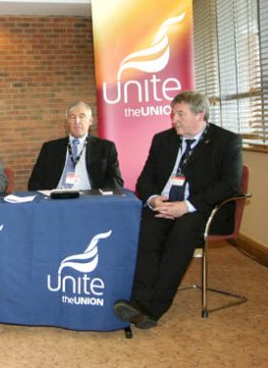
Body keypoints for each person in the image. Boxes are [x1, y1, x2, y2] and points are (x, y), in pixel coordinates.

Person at [114, 90, 243, 329]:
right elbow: (145, 179)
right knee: (148, 229)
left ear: (200, 115)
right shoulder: (163, 139)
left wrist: (186, 206)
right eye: (173, 114)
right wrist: (154, 200)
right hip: (165, 205)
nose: (174, 120)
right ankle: (138, 302)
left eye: (180, 114)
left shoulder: (227, 141)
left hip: (201, 210)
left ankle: (154, 309)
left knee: (181, 234)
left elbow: (229, 185)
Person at [28, 101, 123, 191]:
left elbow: (116, 181)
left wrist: (98, 196)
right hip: (57, 199)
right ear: (66, 122)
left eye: (82, 116)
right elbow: (35, 182)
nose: (77, 121)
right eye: (72, 117)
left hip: (90, 199)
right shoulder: (50, 148)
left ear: (90, 121)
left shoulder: (106, 147)